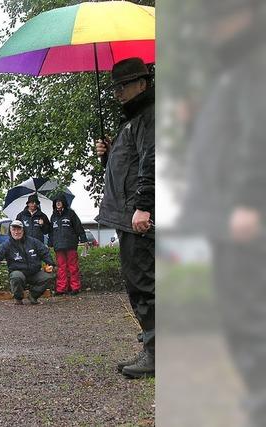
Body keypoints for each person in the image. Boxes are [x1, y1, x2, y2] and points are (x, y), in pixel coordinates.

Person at [179, 1, 266, 423]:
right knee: (236, 318)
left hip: (242, 217)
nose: (212, 29)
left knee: (249, 320)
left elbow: (257, 135)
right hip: (223, 214)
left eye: (220, 18)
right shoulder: (230, 72)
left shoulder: (253, 66)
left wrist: (249, 201)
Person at [94, 57, 155, 378]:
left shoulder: (150, 118)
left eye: (123, 85)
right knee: (138, 282)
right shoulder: (133, 121)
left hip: (138, 215)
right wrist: (108, 156)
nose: (118, 92)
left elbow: (153, 163)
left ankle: (157, 353)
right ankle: (151, 345)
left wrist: (144, 206)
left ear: (142, 84)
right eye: (115, 86)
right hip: (128, 214)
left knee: (144, 282)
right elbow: (125, 171)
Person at [0, 219, 55, 305]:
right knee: (16, 277)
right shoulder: (7, 244)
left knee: (48, 276)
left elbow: (45, 252)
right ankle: (18, 298)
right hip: (18, 272)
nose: (16, 232)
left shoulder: (33, 242)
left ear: (23, 230)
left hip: (35, 273)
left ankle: (33, 296)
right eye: (14, 229)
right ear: (10, 231)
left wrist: (50, 263)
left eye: (19, 229)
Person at [48, 196, 87, 296]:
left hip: (71, 245)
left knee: (73, 267)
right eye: (56, 202)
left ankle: (75, 288)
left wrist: (84, 239)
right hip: (58, 246)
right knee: (61, 268)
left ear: (64, 203)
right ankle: (61, 289)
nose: (58, 203)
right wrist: (50, 243)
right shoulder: (53, 217)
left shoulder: (71, 214)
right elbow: (51, 232)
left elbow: (78, 227)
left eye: (60, 201)